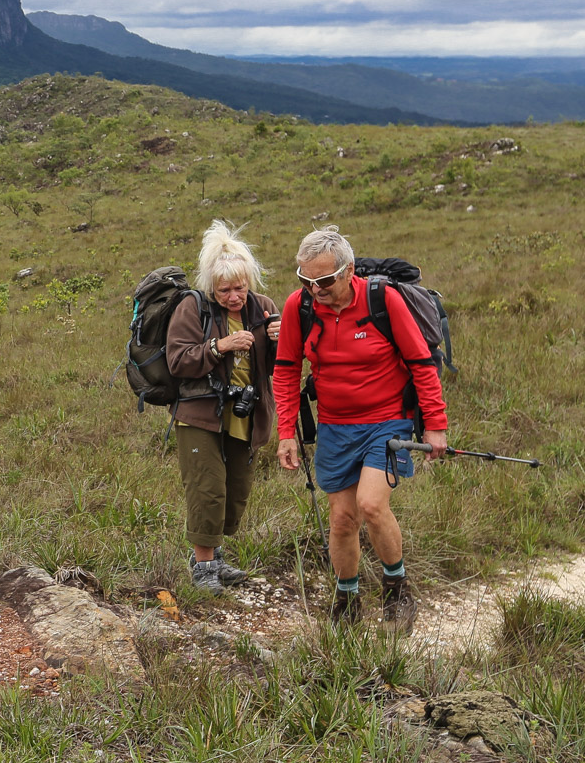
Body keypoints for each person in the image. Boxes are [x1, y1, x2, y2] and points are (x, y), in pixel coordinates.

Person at [272, 226, 447, 630]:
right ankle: (347, 600)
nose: (315, 289)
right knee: (342, 518)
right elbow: (285, 371)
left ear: (349, 271)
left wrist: (435, 425)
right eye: (305, 280)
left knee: (370, 504)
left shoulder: (382, 300)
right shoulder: (299, 307)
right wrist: (286, 431)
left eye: (324, 280)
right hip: (335, 427)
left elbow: (421, 363)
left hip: (388, 421)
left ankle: (397, 589)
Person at [164, 220, 281, 592]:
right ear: (212, 288)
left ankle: (213, 556)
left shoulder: (262, 308)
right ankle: (202, 568)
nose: (235, 296)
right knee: (207, 488)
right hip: (200, 414)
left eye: (240, 287)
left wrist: (283, 340)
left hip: (246, 414)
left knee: (235, 491)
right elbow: (177, 361)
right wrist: (220, 347)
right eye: (226, 290)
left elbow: (279, 367)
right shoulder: (191, 307)